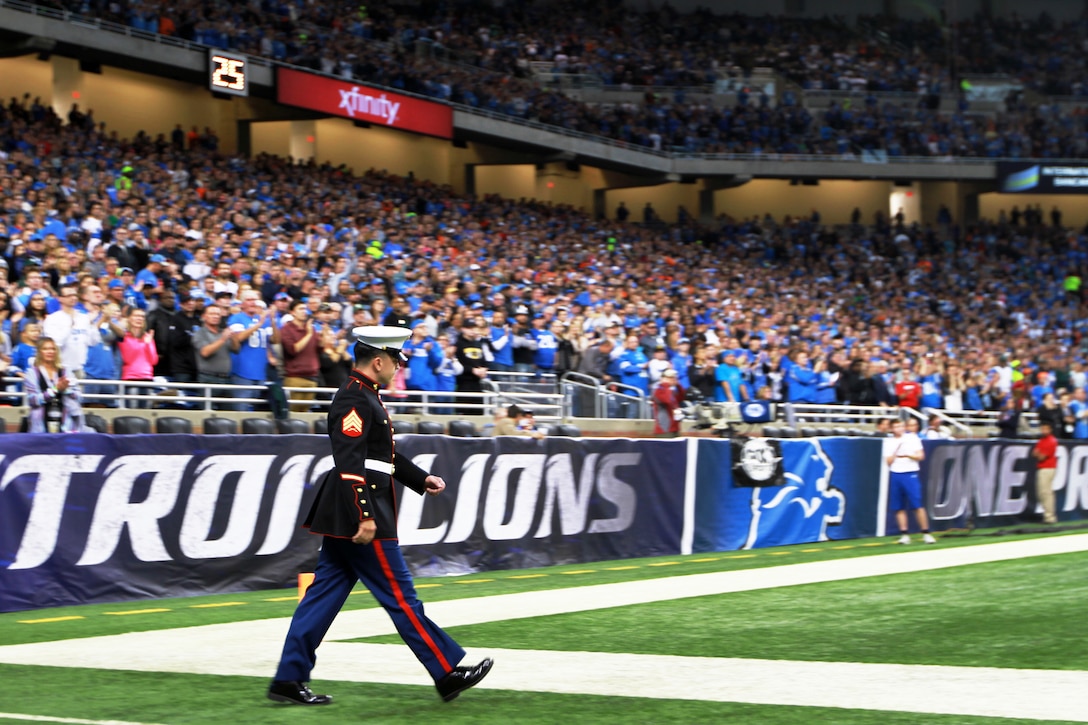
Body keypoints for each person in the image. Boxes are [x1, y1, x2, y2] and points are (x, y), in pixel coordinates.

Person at [268, 325, 493, 706]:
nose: (397, 369)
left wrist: (420, 479)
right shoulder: (355, 398)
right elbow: (350, 461)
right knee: (401, 597)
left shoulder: (363, 395)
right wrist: (365, 515)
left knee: (320, 599)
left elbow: (381, 456)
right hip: (364, 512)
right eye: (395, 361)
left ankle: (289, 678)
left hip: (351, 510)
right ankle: (446, 671)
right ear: (378, 360)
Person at [886, 419, 937, 545]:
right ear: (892, 429)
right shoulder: (889, 442)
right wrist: (896, 452)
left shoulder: (912, 438)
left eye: (901, 426)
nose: (900, 429)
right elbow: (888, 461)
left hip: (910, 473)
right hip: (896, 473)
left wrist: (909, 455)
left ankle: (926, 533)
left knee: (917, 504)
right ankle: (904, 534)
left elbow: (921, 456)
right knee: (898, 506)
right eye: (897, 426)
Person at [23, 336, 84, 433]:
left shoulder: (65, 371)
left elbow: (78, 396)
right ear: (39, 352)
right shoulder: (32, 373)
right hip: (40, 426)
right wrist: (55, 389)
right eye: (45, 349)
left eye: (52, 349)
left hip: (66, 424)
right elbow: (33, 400)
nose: (50, 352)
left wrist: (66, 390)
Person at [280, 299, 320, 412]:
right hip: (295, 378)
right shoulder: (286, 330)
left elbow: (319, 349)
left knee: (304, 416)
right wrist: (308, 334)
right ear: (292, 312)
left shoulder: (311, 328)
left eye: (305, 309)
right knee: (292, 414)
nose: (304, 312)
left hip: (312, 378)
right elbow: (293, 349)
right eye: (300, 309)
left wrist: (324, 339)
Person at [117, 307, 159, 408]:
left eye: (142, 316)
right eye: (136, 316)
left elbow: (154, 360)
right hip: (131, 378)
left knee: (145, 412)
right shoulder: (124, 336)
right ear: (129, 318)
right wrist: (144, 344)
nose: (139, 319)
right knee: (133, 412)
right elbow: (128, 358)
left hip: (147, 378)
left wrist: (148, 344)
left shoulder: (147, 337)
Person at [1032, 421, 1059, 525]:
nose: (1043, 431)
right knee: (1042, 493)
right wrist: (1038, 454)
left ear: (1050, 429)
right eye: (1042, 428)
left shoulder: (1051, 441)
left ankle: (1050, 517)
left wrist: (1038, 454)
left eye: (1046, 429)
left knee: (1046, 493)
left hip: (1048, 468)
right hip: (1042, 468)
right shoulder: (1041, 440)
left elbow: (1041, 456)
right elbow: (1034, 453)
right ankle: (1047, 515)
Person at [652, 368, 685, 437]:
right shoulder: (658, 391)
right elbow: (667, 400)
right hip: (664, 430)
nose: (673, 379)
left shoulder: (671, 392)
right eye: (670, 378)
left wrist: (678, 385)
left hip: (675, 428)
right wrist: (665, 384)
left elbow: (682, 397)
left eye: (674, 378)